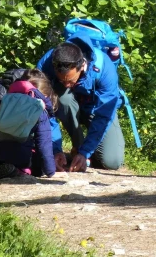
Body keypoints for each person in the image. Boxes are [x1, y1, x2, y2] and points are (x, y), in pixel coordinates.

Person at [37, 30, 125, 173]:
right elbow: (43, 110)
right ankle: (77, 146)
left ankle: (83, 152)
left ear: (82, 65)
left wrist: (85, 153)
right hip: (66, 107)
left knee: (112, 162)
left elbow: (104, 115)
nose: (66, 85)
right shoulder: (46, 64)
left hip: (96, 109)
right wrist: (55, 149)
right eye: (61, 80)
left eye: (70, 81)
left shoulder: (104, 69)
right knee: (64, 98)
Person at [0, 69, 62, 179]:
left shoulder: (4, 102)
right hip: (21, 155)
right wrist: (50, 171)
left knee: (2, 144)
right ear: (45, 96)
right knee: (37, 163)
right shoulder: (39, 111)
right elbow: (44, 145)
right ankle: (20, 170)